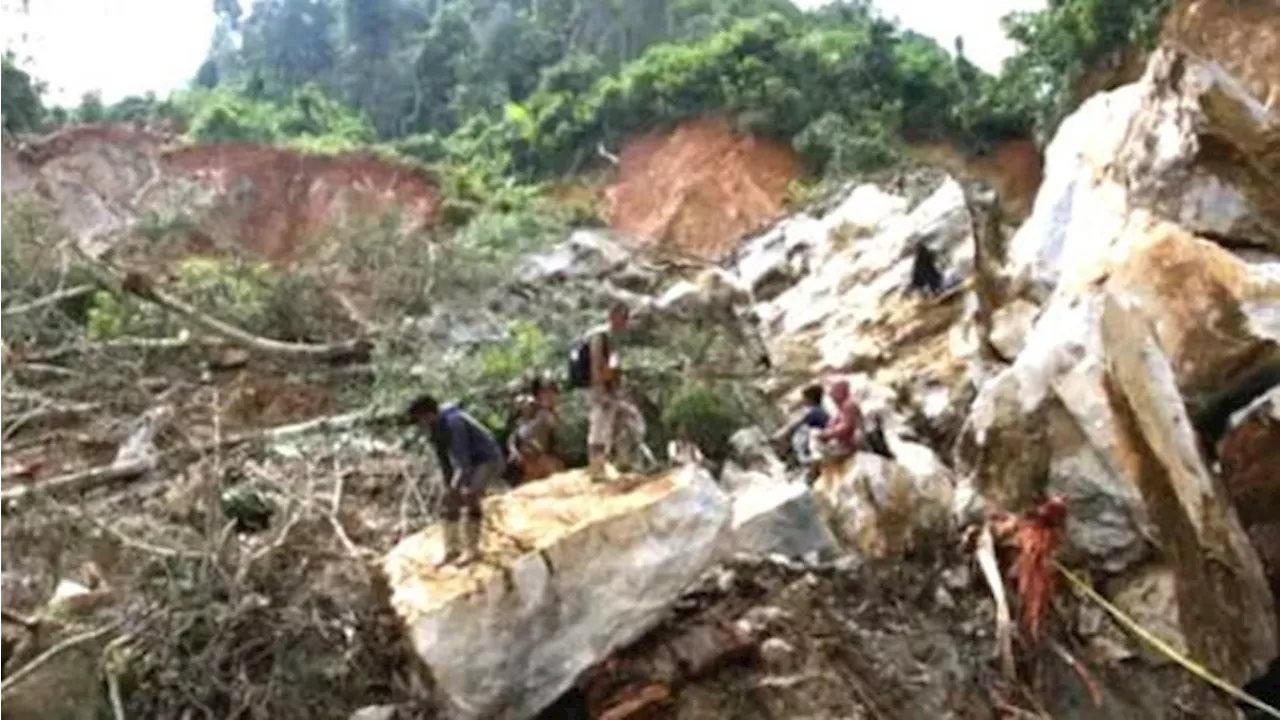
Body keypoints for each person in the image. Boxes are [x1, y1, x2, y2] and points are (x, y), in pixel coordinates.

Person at [405, 394, 504, 567]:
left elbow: (463, 463)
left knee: (470, 494)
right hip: (469, 463)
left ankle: (472, 550)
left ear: (429, 415)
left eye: (420, 420)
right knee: (449, 501)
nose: (420, 425)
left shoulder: (454, 423)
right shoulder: (434, 431)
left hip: (487, 459)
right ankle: (452, 549)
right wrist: (448, 488)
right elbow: (445, 462)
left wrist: (455, 487)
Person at [570, 301, 650, 482]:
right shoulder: (599, 336)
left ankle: (624, 462)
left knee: (629, 420)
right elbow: (596, 365)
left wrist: (617, 389)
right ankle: (597, 470)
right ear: (613, 316)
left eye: (626, 318)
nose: (624, 322)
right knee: (600, 427)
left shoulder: (614, 338)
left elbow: (613, 366)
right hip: (597, 389)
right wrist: (601, 392)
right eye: (622, 317)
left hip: (609, 390)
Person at [508, 377, 565, 483]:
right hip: (531, 459)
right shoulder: (532, 410)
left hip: (547, 458)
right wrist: (515, 451)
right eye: (546, 393)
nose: (551, 397)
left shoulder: (550, 414)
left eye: (552, 393)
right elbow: (519, 434)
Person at [771, 384, 830, 468]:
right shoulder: (819, 408)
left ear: (810, 399)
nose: (802, 400)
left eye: (804, 398)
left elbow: (797, 425)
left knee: (790, 439)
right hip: (814, 437)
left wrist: (783, 435)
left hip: (815, 441)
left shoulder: (814, 412)